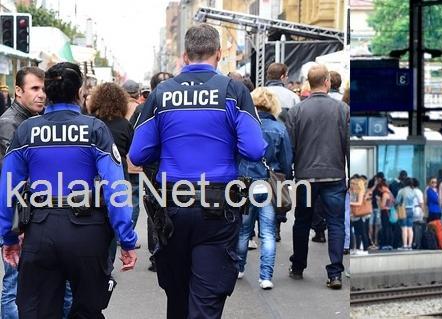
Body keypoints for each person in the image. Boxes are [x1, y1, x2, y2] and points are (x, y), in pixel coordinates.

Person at [129, 24, 266, 317]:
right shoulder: (233, 91)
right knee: (205, 301)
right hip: (218, 208)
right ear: (218, 54)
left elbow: (138, 154)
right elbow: (255, 149)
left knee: (177, 297)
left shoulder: (162, 94)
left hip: (171, 208)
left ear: (185, 55)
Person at [0, 62, 137, 317]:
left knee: (40, 311)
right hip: (87, 233)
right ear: (79, 92)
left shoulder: (27, 131)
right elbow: (116, 188)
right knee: (87, 310)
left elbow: (8, 187)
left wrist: (8, 237)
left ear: (48, 93)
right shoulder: (95, 129)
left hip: (40, 231)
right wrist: (126, 239)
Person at [285, 63, 349, 289]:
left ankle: (298, 265)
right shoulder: (342, 110)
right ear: (328, 82)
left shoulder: (297, 111)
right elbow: (347, 144)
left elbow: (289, 147)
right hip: (334, 176)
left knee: (302, 221)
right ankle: (335, 273)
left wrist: (288, 174)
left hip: (305, 177)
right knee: (336, 223)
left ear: (308, 84)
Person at [236, 87, 292, 290]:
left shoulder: (243, 125)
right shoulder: (279, 128)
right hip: (267, 185)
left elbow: (234, 155)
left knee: (243, 230)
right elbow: (286, 161)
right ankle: (266, 276)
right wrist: (285, 177)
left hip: (244, 183)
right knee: (267, 233)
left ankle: (239, 268)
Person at [129, 71, 174, 271]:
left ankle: (158, 253)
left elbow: (133, 136)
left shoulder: (144, 108)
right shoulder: (172, 105)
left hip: (156, 165)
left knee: (155, 207)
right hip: (167, 165)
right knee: (165, 205)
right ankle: (162, 252)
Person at [88, 82, 134, 268]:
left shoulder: (89, 123)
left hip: (92, 177)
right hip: (119, 174)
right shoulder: (124, 125)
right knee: (114, 218)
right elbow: (133, 151)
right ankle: (108, 262)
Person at [349, 177, 371, 255]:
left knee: (363, 232)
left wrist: (349, 202)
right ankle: (358, 248)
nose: (352, 185)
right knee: (357, 233)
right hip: (355, 216)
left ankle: (365, 249)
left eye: (354, 184)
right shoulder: (354, 192)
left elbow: (359, 203)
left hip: (361, 215)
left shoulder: (361, 192)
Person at [395, 178, 417, 250]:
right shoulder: (413, 191)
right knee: (410, 228)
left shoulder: (402, 190)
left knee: (404, 228)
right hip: (411, 210)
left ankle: (404, 245)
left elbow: (397, 201)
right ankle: (410, 245)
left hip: (403, 210)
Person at [411, 178, 425, 249]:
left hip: (412, 210)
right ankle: (417, 243)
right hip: (417, 209)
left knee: (412, 227)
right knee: (417, 227)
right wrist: (423, 212)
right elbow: (421, 203)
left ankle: (413, 242)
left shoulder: (411, 191)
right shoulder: (418, 191)